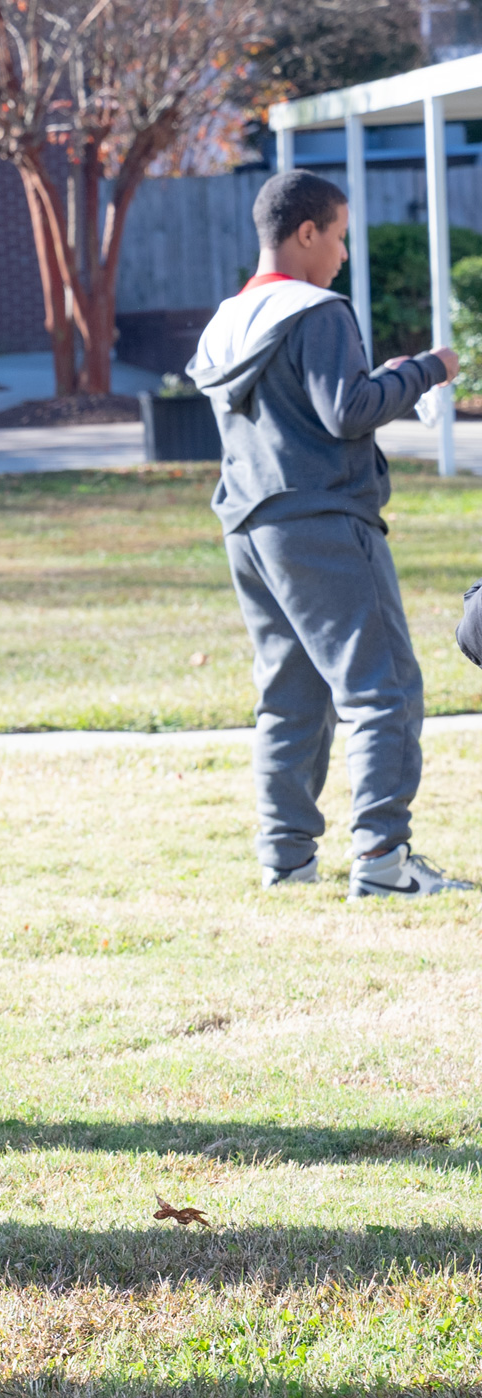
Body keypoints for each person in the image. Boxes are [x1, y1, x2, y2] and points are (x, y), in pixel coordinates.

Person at [190, 167, 472, 899]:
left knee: (289, 696)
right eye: (339, 237)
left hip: (250, 526)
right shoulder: (317, 311)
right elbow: (346, 412)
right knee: (383, 688)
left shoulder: (227, 321)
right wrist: (427, 369)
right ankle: (383, 862)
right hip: (322, 520)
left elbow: (310, 406)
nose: (343, 254)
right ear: (306, 232)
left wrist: (379, 379)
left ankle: (286, 861)